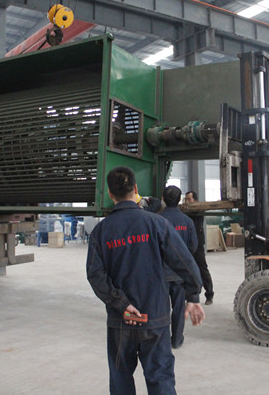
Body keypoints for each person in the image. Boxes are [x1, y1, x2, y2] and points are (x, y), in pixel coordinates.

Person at [87, 167, 205, 395]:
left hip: (122, 320)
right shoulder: (156, 224)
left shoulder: (101, 232)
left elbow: (95, 275)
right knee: (160, 378)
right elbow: (185, 260)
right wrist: (193, 295)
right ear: (136, 190)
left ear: (110, 194)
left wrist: (122, 305)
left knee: (121, 379)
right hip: (155, 318)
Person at [159, 185, 198, 349]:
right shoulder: (187, 222)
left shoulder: (156, 219)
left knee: (160, 309)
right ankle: (176, 340)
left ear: (163, 200)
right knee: (178, 308)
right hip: (180, 275)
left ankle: (160, 341)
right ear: (180, 200)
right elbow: (193, 246)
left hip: (160, 273)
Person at [184, 190, 214, 305]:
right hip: (187, 244)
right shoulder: (185, 210)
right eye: (186, 199)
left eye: (189, 199)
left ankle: (209, 294)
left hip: (198, 244)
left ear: (195, 200)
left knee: (202, 268)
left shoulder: (199, 208)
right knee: (188, 269)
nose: (187, 201)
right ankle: (191, 296)